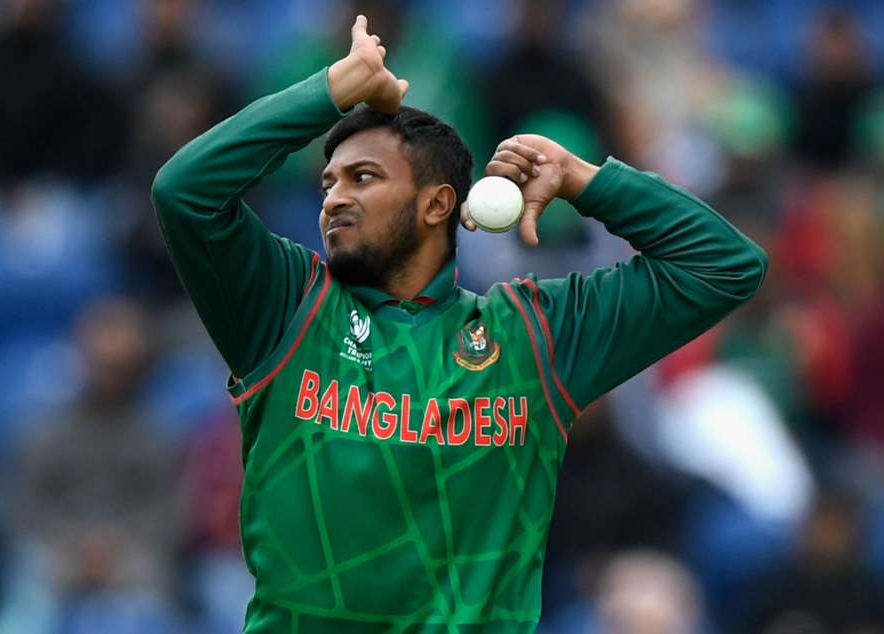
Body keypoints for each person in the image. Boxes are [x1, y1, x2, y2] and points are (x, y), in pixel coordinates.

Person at [152, 15, 767, 633]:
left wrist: (584, 181)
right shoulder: (286, 306)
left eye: (363, 178)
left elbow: (725, 266)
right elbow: (184, 192)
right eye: (327, 182)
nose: (334, 197)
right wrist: (329, 92)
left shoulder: (532, 336)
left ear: (438, 203)